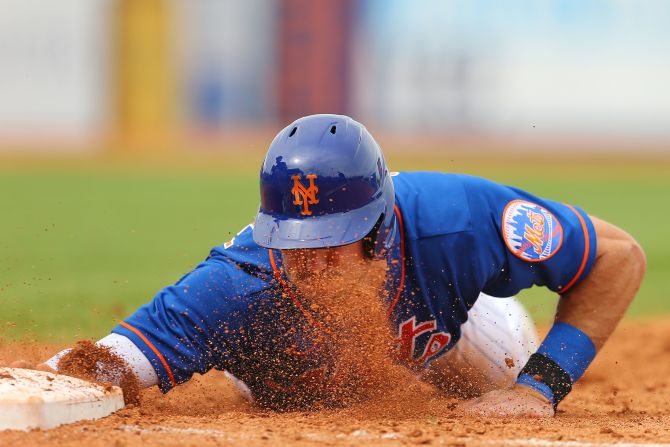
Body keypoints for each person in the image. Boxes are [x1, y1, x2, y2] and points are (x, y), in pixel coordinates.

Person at [21, 114, 646, 416]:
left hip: (454, 332)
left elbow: (617, 257)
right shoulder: (236, 285)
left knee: (502, 374)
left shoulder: (454, 219)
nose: (308, 261)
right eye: (295, 241)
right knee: (294, 398)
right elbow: (102, 365)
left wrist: (541, 390)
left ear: (378, 225)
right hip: (287, 374)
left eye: (331, 240)